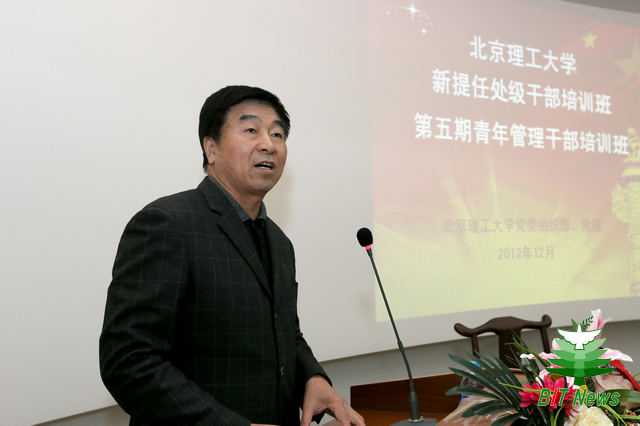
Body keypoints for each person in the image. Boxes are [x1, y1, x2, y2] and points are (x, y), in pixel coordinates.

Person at [99, 85, 365, 426]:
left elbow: (285, 334)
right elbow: (128, 361)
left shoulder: (279, 242)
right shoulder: (168, 223)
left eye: (278, 134)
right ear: (211, 148)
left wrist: (313, 379)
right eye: (251, 130)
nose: (269, 144)